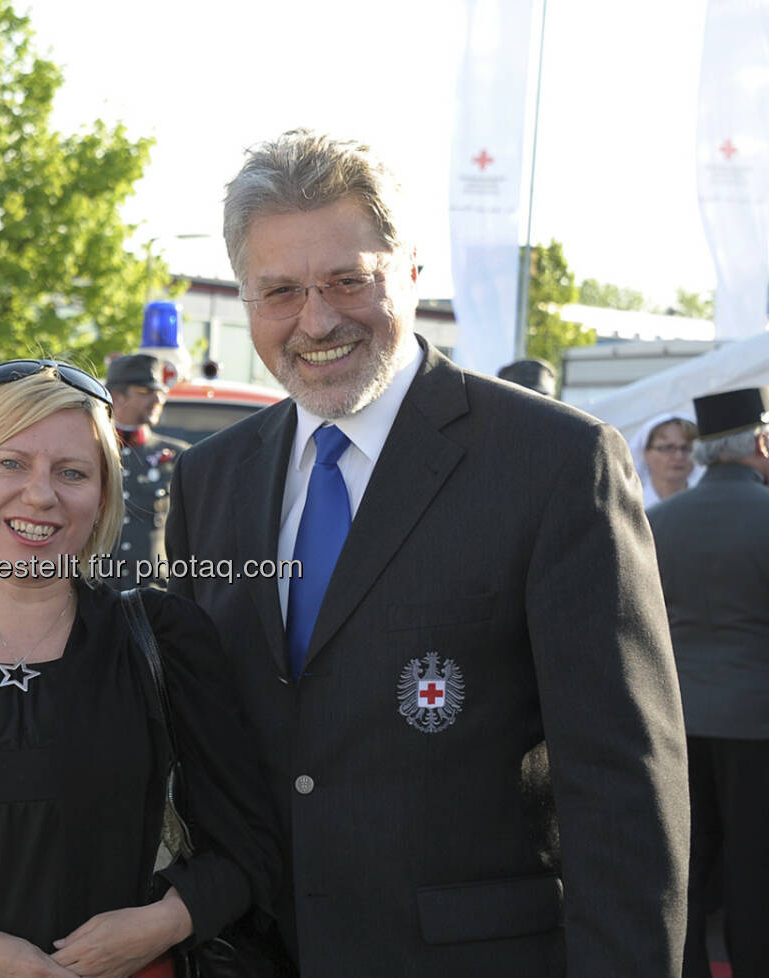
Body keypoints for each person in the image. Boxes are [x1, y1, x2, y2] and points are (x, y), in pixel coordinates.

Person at [164, 129, 689, 976]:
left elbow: (623, 783)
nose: (318, 320)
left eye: (348, 280)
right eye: (281, 291)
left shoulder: (554, 463)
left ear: (411, 271)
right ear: (246, 297)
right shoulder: (210, 481)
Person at [0, 361, 279, 978]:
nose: (41, 494)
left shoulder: (167, 640)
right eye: (10, 463)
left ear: (103, 498)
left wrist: (167, 922)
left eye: (72, 473)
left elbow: (251, 846)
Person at [647, 387, 769, 978]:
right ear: (761, 442)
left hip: (678, 722)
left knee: (686, 866)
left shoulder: (655, 523)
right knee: (756, 868)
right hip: (758, 727)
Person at [103, 353, 188, 587]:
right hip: (94, 595)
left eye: (160, 392)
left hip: (154, 595)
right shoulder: (88, 451)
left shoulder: (178, 455)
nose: (158, 399)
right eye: (145, 391)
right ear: (116, 397)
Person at [633, 412, 703, 507]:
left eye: (686, 448)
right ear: (646, 453)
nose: (679, 456)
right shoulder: (634, 509)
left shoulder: (707, 502)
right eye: (668, 448)